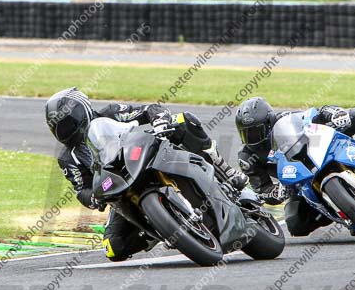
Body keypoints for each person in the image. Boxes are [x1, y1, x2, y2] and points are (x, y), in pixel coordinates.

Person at [44, 87, 247, 261]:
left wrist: (159, 119)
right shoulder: (68, 158)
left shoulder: (110, 113)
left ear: (81, 113)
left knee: (182, 120)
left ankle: (224, 170)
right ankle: (160, 227)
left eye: (67, 124)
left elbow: (148, 110)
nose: (64, 131)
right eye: (58, 128)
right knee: (112, 247)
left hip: (145, 156)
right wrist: (94, 199)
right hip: (121, 186)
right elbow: (82, 190)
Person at [234, 97, 355, 237]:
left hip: (323, 152)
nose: (252, 138)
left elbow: (316, 114)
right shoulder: (248, 157)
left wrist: (335, 114)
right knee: (295, 224)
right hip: (299, 183)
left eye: (255, 131)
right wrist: (275, 193)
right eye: (246, 134)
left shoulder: (285, 120)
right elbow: (261, 188)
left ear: (268, 123)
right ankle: (340, 208)